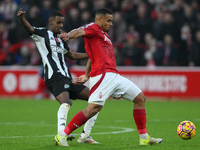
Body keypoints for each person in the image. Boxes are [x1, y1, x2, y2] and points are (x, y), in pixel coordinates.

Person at [59, 8, 163, 147]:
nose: (111, 24)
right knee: (93, 109)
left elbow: (92, 58)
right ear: (99, 19)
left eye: (112, 21)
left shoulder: (104, 35)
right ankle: (62, 135)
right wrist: (68, 36)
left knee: (140, 98)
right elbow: (78, 31)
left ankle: (144, 138)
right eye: (108, 21)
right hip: (103, 76)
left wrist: (86, 75)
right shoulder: (93, 28)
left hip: (114, 75)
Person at [17, 8, 99, 146]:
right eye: (58, 23)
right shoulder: (42, 34)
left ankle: (85, 135)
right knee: (66, 102)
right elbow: (30, 29)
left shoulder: (61, 40)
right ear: (51, 22)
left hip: (67, 77)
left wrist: (90, 55)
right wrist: (22, 19)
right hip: (54, 77)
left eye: (62, 23)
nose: (61, 25)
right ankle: (62, 135)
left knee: (96, 100)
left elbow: (72, 55)